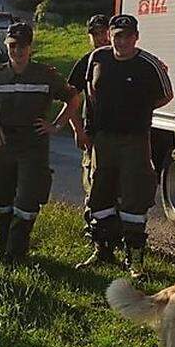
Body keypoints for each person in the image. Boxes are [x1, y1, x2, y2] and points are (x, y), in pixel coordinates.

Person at [75, 15, 173, 277]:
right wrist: (88, 127)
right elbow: (88, 90)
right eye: (118, 35)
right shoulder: (98, 58)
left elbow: (167, 95)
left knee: (134, 198)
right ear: (110, 35)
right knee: (99, 196)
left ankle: (135, 260)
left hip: (135, 140)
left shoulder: (148, 64)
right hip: (103, 139)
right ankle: (103, 250)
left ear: (136, 37)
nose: (122, 41)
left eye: (128, 36)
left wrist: (138, 111)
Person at [0, 22, 82, 261]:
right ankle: (3, 249)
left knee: (27, 201)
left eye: (22, 46)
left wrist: (56, 125)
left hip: (33, 146)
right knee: (1, 200)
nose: (17, 51)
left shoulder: (45, 75)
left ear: (30, 47)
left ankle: (15, 254)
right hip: (2, 145)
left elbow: (73, 99)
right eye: (13, 46)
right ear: (6, 46)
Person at [69, 14, 112, 258]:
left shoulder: (126, 59)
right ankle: (95, 237)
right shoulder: (86, 61)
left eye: (104, 32)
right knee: (93, 185)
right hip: (93, 134)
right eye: (95, 34)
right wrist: (77, 129)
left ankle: (119, 238)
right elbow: (71, 98)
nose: (100, 38)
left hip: (118, 135)